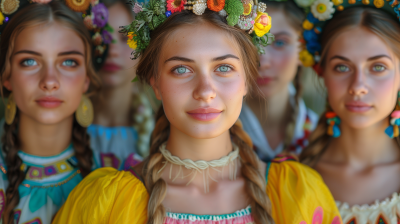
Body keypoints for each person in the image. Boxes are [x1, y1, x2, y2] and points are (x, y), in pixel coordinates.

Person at [53, 2, 341, 223]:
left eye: (223, 68)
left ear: (246, 80)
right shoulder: (107, 203)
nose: (205, 90)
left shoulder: (296, 194)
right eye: (181, 69)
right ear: (155, 82)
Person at [0, 0, 114, 223]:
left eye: (69, 62)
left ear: (86, 79)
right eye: (30, 61)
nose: (50, 81)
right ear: (7, 77)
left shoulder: (119, 170)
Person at [299, 1, 400, 223]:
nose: (358, 86)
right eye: (342, 67)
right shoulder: (293, 180)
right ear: (322, 73)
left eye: (378, 67)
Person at [239, 0, 318, 161]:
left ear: (303, 49)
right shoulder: (214, 134)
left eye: (280, 42)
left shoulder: (321, 136)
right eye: (249, 41)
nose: (262, 61)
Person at [88, 0, 155, 165]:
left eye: (126, 38)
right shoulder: (65, 127)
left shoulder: (160, 132)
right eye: (102, 37)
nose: (112, 50)